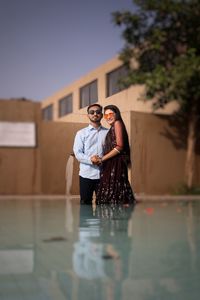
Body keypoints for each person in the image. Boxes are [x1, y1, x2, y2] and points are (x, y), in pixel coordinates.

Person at [91, 104, 136, 205]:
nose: (108, 117)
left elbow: (119, 146)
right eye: (106, 115)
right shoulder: (113, 127)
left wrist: (102, 159)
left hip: (116, 164)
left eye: (110, 114)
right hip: (112, 164)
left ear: (117, 114)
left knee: (114, 196)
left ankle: (117, 218)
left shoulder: (117, 123)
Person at [73, 104, 108, 205]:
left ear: (101, 115)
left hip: (104, 174)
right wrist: (90, 159)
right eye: (92, 112)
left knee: (103, 204)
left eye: (98, 112)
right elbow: (77, 152)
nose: (95, 114)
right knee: (85, 203)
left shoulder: (108, 132)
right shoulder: (81, 133)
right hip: (86, 175)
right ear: (88, 115)